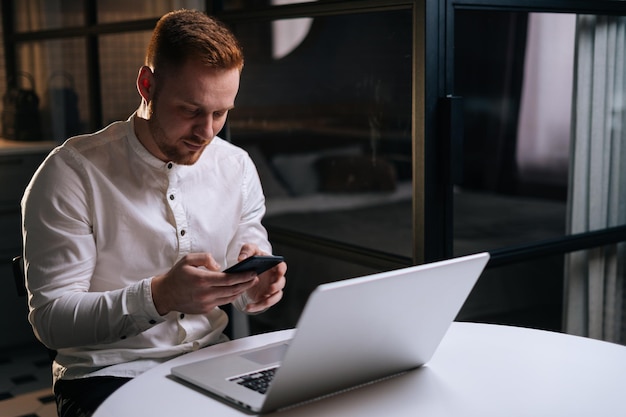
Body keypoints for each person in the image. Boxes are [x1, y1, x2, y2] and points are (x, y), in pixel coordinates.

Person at [20, 9, 287, 417]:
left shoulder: (237, 167)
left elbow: (246, 260)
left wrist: (256, 287)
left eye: (221, 112)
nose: (207, 132)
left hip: (212, 360)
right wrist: (158, 297)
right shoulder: (70, 173)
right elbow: (52, 319)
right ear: (147, 85)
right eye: (191, 110)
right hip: (106, 373)